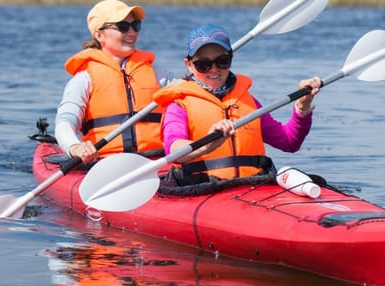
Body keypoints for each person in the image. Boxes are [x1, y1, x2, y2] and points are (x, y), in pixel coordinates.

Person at [154, 24, 321, 186]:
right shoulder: (179, 106)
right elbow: (174, 150)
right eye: (203, 64)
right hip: (202, 189)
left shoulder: (247, 102)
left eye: (222, 61)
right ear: (188, 64)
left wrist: (303, 105)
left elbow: (289, 142)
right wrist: (208, 144)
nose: (213, 70)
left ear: (231, 59)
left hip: (253, 186)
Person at [55, 0, 174, 163]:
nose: (132, 32)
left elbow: (189, 107)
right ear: (99, 34)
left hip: (157, 160)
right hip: (105, 164)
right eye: (123, 26)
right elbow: (64, 122)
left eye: (136, 26)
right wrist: (75, 147)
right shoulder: (84, 79)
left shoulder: (158, 73)